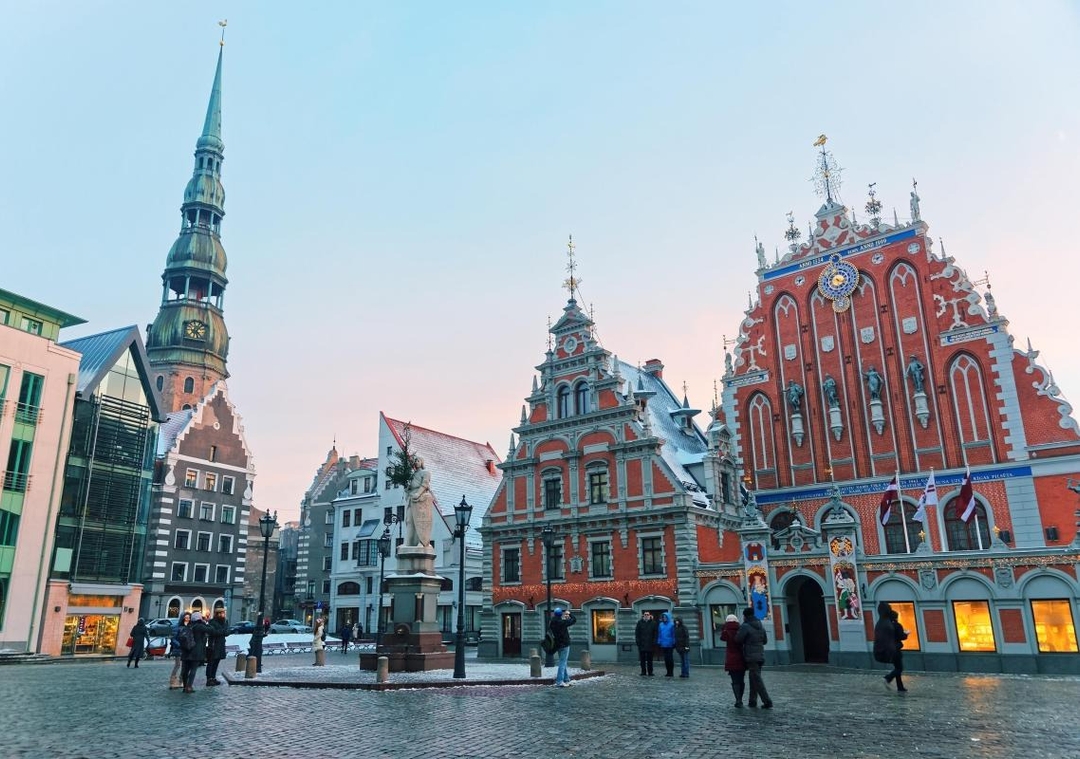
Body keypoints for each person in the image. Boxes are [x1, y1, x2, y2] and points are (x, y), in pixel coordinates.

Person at [735, 607, 772, 708]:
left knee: (757, 679)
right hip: (760, 655)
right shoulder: (760, 625)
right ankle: (752, 700)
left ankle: (767, 701)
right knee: (753, 678)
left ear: (745, 616)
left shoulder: (745, 626)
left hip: (751, 656)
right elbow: (765, 640)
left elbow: (738, 639)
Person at [875, 602, 909, 692]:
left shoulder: (884, 623)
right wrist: (906, 634)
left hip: (890, 649)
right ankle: (888, 678)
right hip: (895, 650)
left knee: (897, 667)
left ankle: (900, 687)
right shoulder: (896, 625)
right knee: (899, 668)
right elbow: (901, 636)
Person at [404, 458, 435, 547]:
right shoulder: (413, 475)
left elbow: (425, 484)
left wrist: (418, 493)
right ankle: (409, 542)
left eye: (418, 461)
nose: (416, 462)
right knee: (410, 520)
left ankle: (422, 541)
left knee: (420, 520)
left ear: (422, 462)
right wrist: (408, 488)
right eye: (415, 461)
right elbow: (410, 486)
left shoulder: (425, 472)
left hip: (420, 497)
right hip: (411, 497)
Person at [720, 613, 746, 707]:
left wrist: (724, 627)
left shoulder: (726, 630)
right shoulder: (741, 629)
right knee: (741, 680)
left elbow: (722, 638)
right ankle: (741, 698)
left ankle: (738, 700)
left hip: (731, 658)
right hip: (741, 657)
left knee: (734, 680)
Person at [180, 611, 209, 694]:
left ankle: (185, 686)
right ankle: (189, 687)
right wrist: (205, 621)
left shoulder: (188, 626)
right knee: (193, 669)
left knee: (185, 670)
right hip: (195, 651)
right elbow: (211, 630)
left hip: (186, 650)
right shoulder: (200, 626)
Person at [549, 608, 576, 687]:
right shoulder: (562, 622)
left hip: (557, 644)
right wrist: (569, 614)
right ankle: (559, 681)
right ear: (561, 614)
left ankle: (566, 679)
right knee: (562, 663)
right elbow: (574, 620)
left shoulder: (552, 622)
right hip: (564, 644)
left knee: (563, 662)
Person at [204, 607, 228, 686]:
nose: (223, 615)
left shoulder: (224, 622)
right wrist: (222, 632)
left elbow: (228, 631)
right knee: (211, 662)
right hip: (214, 645)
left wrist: (223, 632)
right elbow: (213, 632)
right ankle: (209, 679)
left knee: (216, 662)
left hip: (221, 644)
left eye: (223, 613)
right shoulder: (212, 622)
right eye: (221, 613)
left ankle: (213, 678)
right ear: (217, 614)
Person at [168, 613, 188, 689]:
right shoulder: (177, 627)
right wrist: (180, 644)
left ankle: (181, 681)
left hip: (185, 649)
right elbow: (173, 638)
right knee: (178, 665)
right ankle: (173, 681)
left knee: (184, 666)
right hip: (178, 649)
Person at [634, 611, 657, 676]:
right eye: (645, 614)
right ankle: (643, 672)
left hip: (650, 645)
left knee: (650, 660)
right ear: (643, 615)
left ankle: (650, 672)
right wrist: (638, 642)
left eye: (647, 614)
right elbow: (637, 633)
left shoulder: (653, 623)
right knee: (642, 660)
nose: (646, 616)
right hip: (642, 645)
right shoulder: (640, 623)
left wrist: (654, 642)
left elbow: (655, 633)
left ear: (650, 615)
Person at [655, 612, 676, 677]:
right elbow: (659, 634)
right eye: (663, 617)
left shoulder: (672, 625)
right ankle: (668, 672)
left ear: (668, 617)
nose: (664, 618)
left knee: (670, 659)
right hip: (663, 644)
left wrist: (674, 642)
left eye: (665, 617)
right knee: (666, 659)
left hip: (670, 644)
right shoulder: (661, 625)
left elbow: (673, 635)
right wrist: (659, 641)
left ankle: (671, 672)